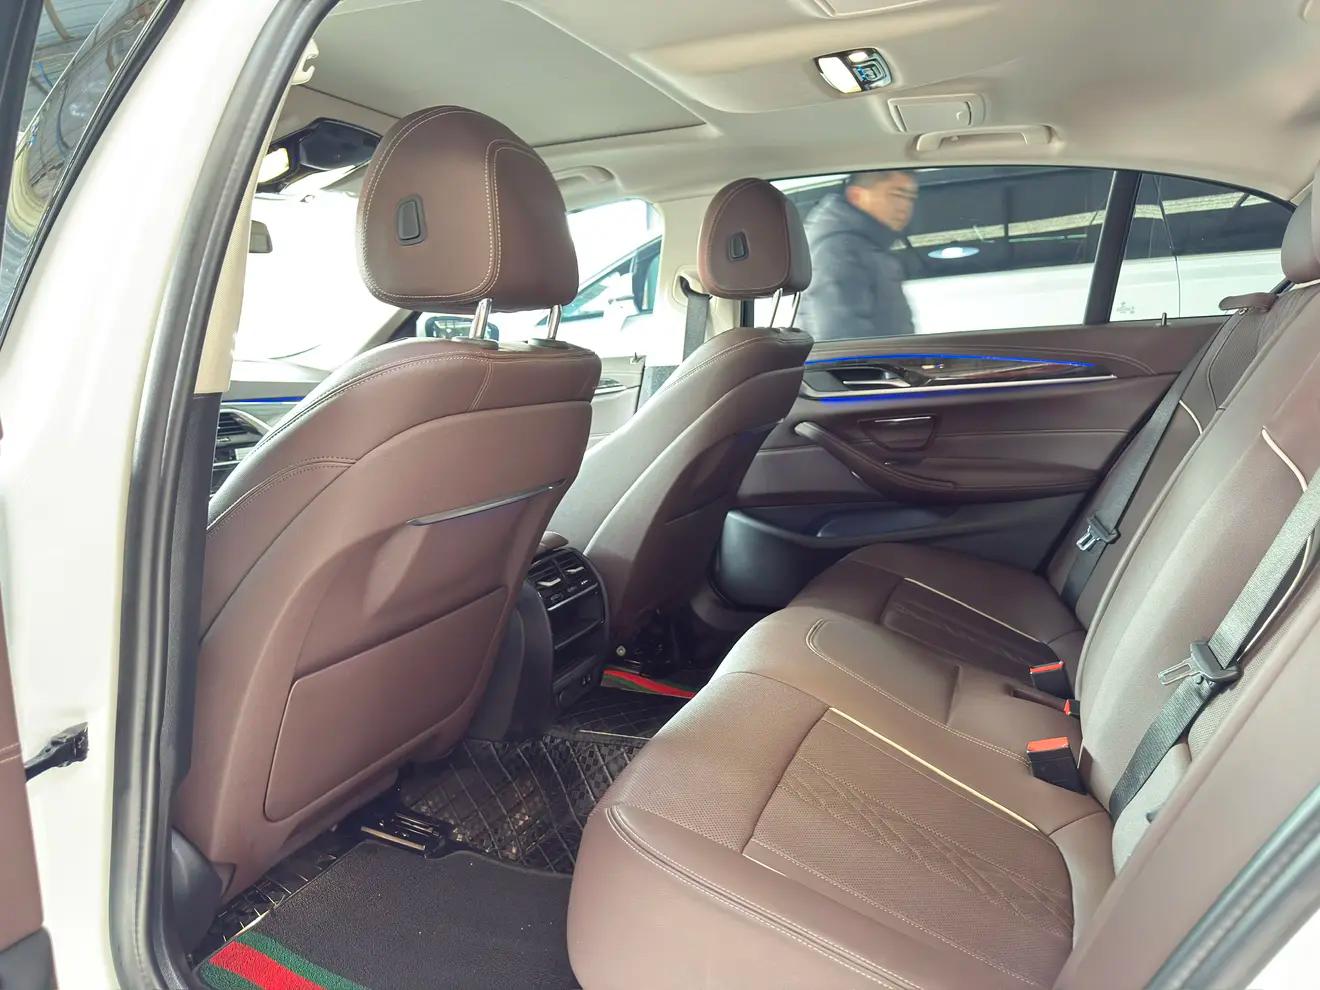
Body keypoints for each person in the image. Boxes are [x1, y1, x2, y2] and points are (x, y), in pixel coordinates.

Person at [796, 170, 919, 340]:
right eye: (896, 195)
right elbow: (841, 338)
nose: (905, 206)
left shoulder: (868, 247)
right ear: (856, 196)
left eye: (910, 198)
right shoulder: (838, 249)